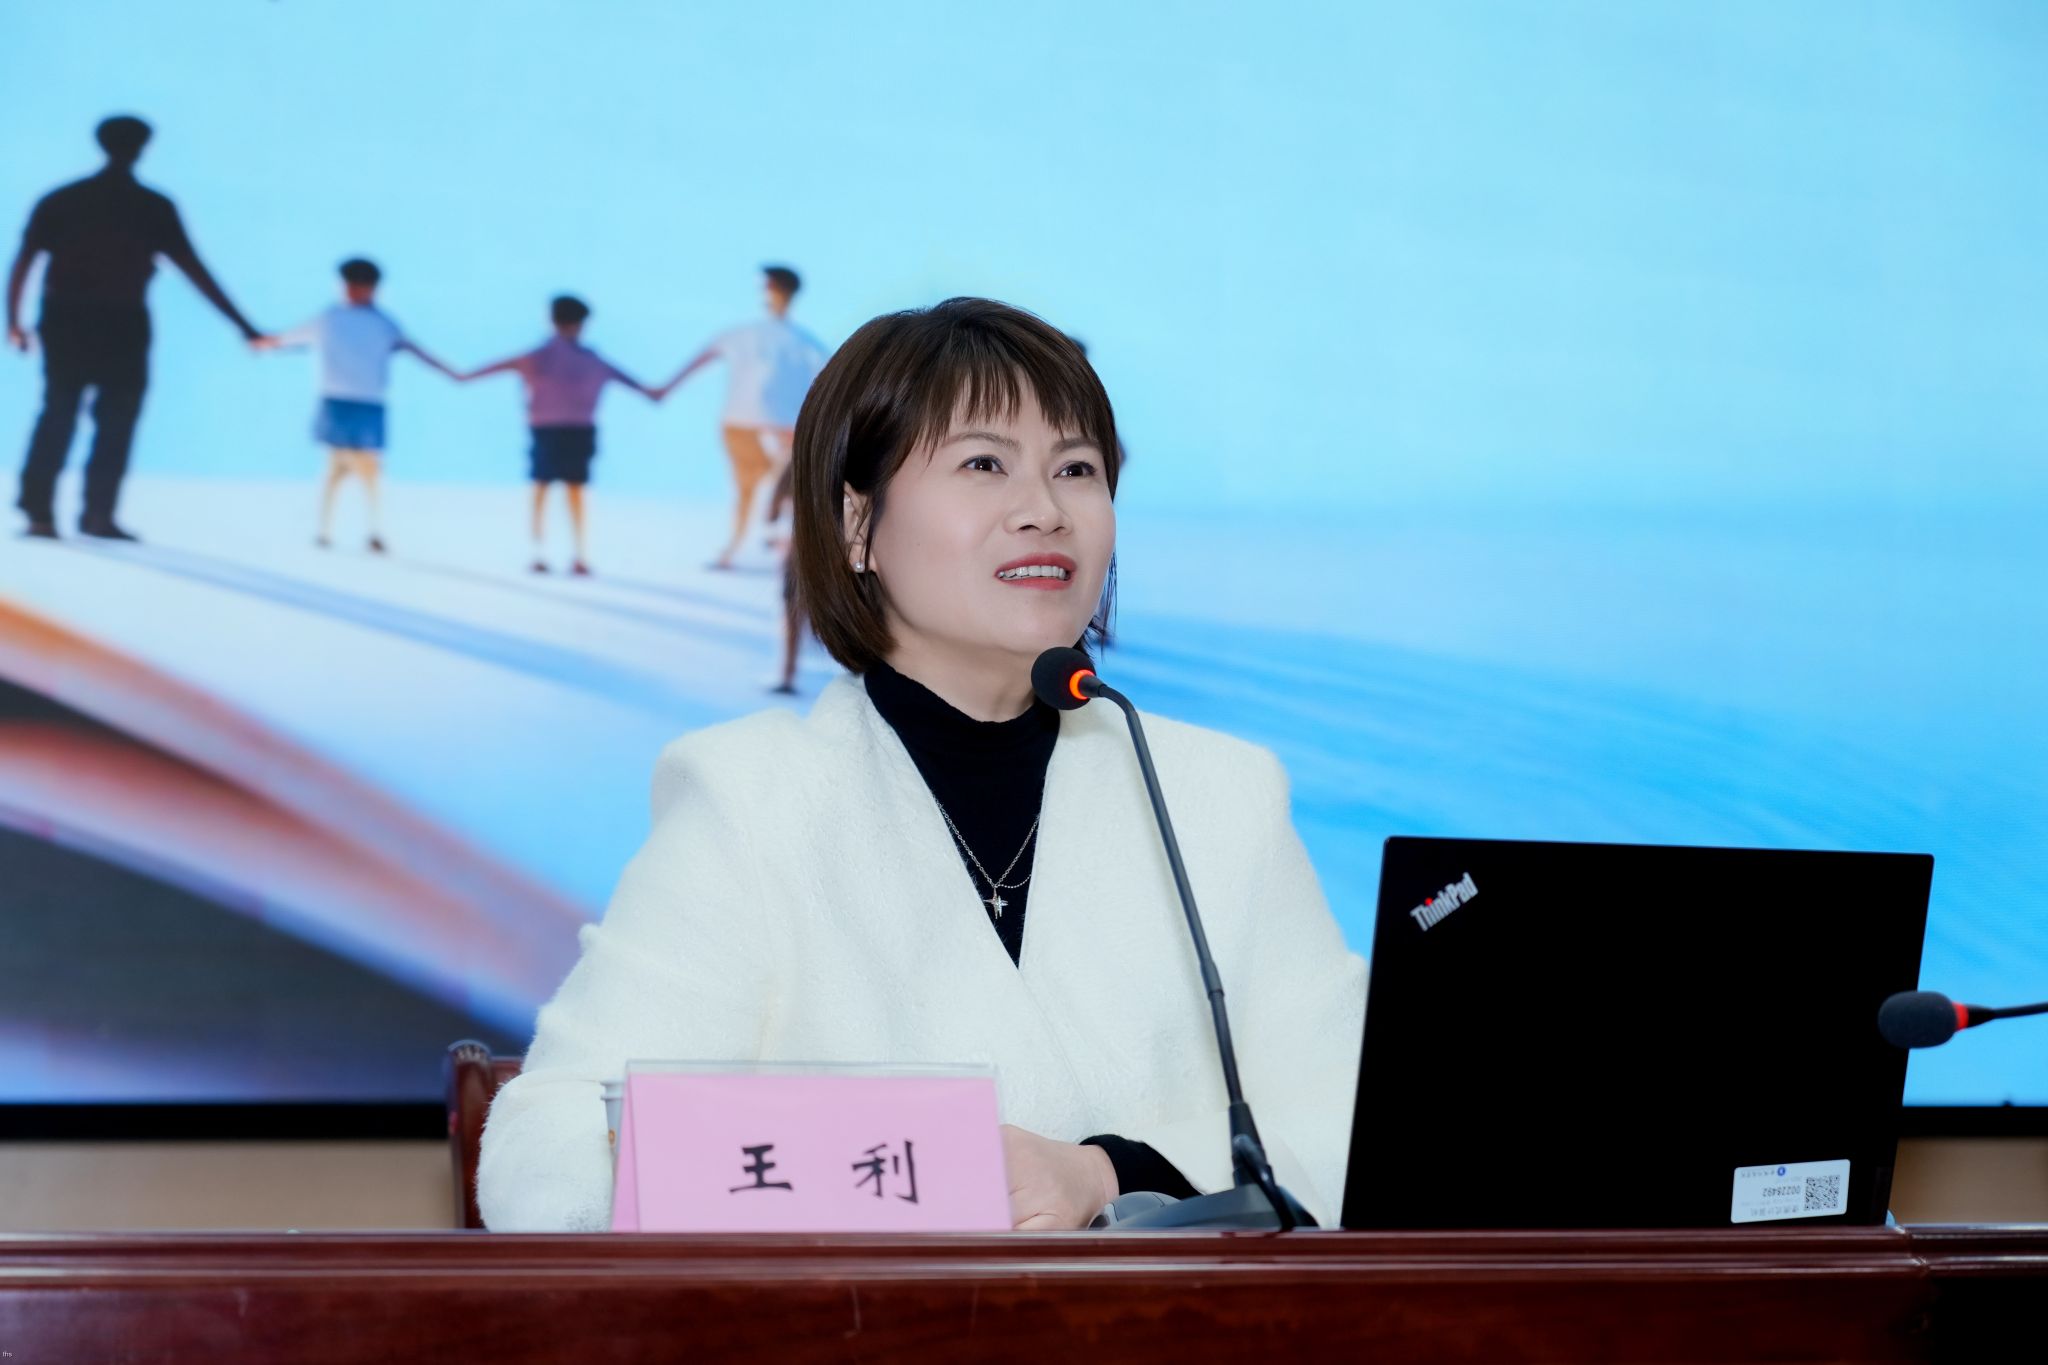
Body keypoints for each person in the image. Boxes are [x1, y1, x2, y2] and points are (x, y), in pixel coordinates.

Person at [477, 297, 1366, 1233]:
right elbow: (555, 1152)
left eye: (1077, 469)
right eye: (984, 463)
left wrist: (1102, 1172)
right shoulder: (751, 798)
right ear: (858, 524)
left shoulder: (1220, 792)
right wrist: (914, 1177)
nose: (1045, 509)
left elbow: (1360, 1116)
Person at [7, 115, 265, 541]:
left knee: (83, 414)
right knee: (85, 415)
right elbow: (194, 270)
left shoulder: (76, 200)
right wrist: (244, 326)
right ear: (142, 148)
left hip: (95, 320)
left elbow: (24, 262)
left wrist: (14, 322)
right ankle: (65, 512)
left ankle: (73, 513)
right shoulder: (145, 206)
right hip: (97, 319)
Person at [255, 258, 457, 553]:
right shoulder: (329, 318)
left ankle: (374, 528)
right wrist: (262, 343)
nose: (353, 290)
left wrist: (452, 373)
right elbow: (285, 339)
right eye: (349, 284)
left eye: (360, 285)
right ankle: (324, 530)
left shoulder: (383, 324)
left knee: (368, 469)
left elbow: (415, 349)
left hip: (368, 402)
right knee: (336, 467)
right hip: (336, 400)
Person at [460, 294, 661, 575]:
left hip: (557, 430)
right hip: (568, 431)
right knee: (565, 488)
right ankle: (564, 552)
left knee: (550, 487)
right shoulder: (580, 360)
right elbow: (641, 387)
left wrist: (460, 376)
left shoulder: (545, 357)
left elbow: (484, 371)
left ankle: (554, 552)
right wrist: (657, 392)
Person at [657, 265, 828, 570]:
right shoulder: (796, 341)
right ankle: (747, 547)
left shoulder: (796, 342)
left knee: (765, 489)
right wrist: (664, 389)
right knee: (767, 489)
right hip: (756, 426)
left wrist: (664, 390)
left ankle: (754, 546)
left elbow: (701, 359)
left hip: (766, 426)